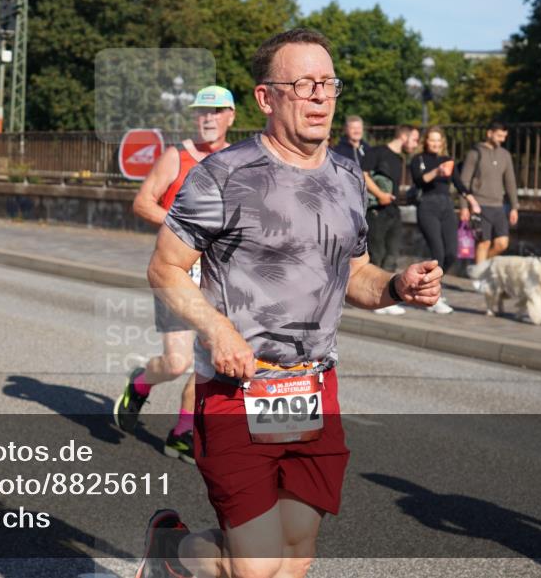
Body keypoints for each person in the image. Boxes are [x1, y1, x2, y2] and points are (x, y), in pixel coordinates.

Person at [135, 29, 442, 578]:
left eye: (328, 83)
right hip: (237, 388)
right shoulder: (223, 175)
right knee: (256, 568)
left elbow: (356, 275)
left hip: (313, 390)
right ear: (266, 97)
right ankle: (169, 551)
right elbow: (165, 268)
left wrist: (398, 286)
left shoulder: (347, 179)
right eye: (303, 84)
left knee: (295, 556)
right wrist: (218, 330)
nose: (320, 95)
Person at [114, 85, 235, 465]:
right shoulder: (177, 156)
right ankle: (140, 383)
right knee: (177, 362)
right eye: (202, 112)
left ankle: (182, 433)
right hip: (176, 271)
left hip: (217, 277)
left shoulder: (237, 161)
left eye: (216, 112)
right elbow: (142, 202)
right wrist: (184, 227)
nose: (208, 118)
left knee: (210, 360)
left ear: (231, 116)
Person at [409, 126, 481, 314]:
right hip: (427, 206)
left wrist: (472, 201)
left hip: (447, 206)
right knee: (438, 253)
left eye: (438, 140)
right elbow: (418, 180)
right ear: (426, 141)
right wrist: (436, 172)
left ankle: (427, 285)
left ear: (442, 143)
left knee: (451, 253)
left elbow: (459, 183)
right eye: (431, 140)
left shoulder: (448, 160)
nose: (435, 143)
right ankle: (433, 297)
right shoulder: (418, 159)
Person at [362, 124, 420, 315]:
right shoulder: (377, 152)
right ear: (404, 136)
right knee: (377, 254)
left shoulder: (399, 158)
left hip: (393, 210)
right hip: (376, 211)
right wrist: (380, 194)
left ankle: (386, 299)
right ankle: (373, 298)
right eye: (414, 139)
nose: (416, 144)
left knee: (392, 254)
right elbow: (362, 174)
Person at [459, 121, 518, 289]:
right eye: (499, 135)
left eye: (504, 136)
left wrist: (514, 206)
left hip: (498, 205)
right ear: (489, 133)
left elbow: (510, 182)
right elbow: (464, 181)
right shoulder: (474, 153)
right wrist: (464, 206)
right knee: (483, 243)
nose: (502, 139)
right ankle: (479, 280)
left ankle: (480, 268)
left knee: (502, 243)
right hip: (479, 204)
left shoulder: (505, 155)